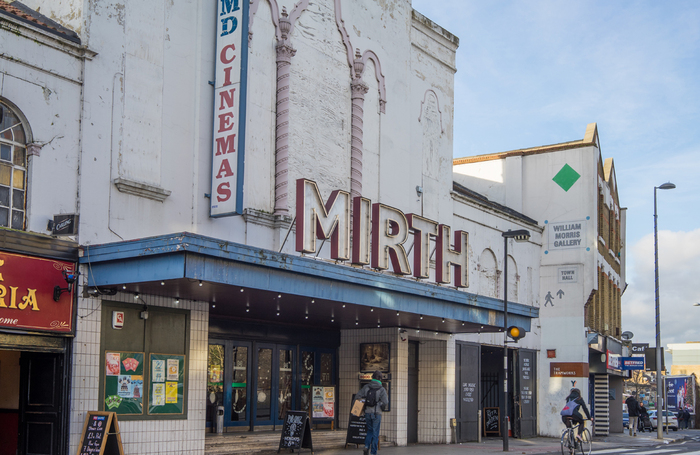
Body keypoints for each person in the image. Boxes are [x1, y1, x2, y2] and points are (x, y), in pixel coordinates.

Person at [356, 371, 389, 455]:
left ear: (372, 377)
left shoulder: (366, 387)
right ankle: (373, 452)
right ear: (380, 378)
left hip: (367, 412)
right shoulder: (381, 389)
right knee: (375, 433)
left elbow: (358, 397)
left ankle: (366, 446)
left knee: (369, 431)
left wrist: (363, 405)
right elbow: (385, 401)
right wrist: (380, 405)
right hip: (376, 413)